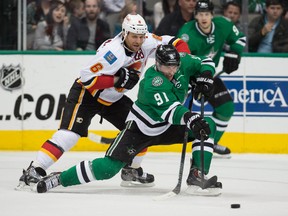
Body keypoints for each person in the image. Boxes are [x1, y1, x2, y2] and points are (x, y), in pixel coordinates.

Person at [16, 14, 191, 191]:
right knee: (69, 135)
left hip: (113, 99)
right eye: (134, 36)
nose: (138, 40)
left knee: (140, 128)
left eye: (141, 36)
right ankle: (35, 169)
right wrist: (117, 79)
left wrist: (185, 63)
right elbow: (87, 78)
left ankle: (131, 170)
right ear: (124, 33)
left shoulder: (147, 41)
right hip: (87, 95)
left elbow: (176, 43)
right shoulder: (112, 52)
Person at [33, 44, 222, 195]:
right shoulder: (152, 82)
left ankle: (197, 175)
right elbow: (171, 112)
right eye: (166, 66)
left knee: (208, 126)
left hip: (165, 128)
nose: (171, 70)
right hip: (140, 129)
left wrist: (205, 77)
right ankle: (60, 178)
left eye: (175, 66)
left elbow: (206, 61)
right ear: (157, 63)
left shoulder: (182, 62)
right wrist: (191, 118)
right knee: (107, 169)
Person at [178, 0, 246, 157]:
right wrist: (190, 79)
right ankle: (144, 135)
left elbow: (240, 39)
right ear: (195, 15)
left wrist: (234, 53)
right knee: (173, 111)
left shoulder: (223, 25)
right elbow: (179, 59)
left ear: (212, 15)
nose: (204, 17)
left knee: (226, 108)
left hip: (209, 76)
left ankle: (212, 142)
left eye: (207, 14)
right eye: (200, 14)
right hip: (187, 77)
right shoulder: (187, 33)